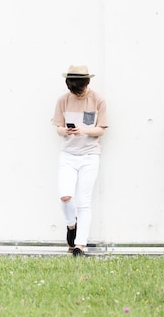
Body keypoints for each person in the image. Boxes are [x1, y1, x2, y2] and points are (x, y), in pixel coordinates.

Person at [52, 65, 108, 256]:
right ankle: (71, 225)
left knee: (84, 202)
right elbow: (58, 127)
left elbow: (101, 129)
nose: (78, 93)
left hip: (90, 155)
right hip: (68, 154)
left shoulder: (98, 100)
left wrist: (83, 130)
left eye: (80, 89)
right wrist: (65, 131)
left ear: (87, 83)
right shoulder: (63, 100)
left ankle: (80, 245)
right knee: (66, 196)